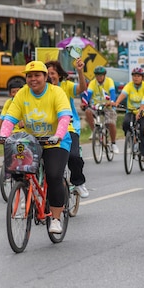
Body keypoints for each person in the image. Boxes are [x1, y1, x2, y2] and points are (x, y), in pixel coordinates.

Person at [0, 61, 72, 234]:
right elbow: (10, 118)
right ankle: (23, 196)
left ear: (46, 77)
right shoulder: (23, 93)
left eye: (37, 75)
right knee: (18, 169)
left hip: (56, 141)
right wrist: (3, 134)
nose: (33, 79)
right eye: (29, 76)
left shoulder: (56, 92)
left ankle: (55, 218)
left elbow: (64, 117)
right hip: (31, 140)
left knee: (54, 175)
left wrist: (58, 135)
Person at [46, 59, 89, 198]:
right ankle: (32, 193)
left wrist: (80, 71)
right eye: (46, 73)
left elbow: (82, 88)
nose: (50, 76)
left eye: (52, 73)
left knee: (73, 156)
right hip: (46, 129)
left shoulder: (66, 86)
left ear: (59, 75)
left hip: (69, 127)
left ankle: (78, 182)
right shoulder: (40, 89)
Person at [114, 67, 144, 157]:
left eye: (138, 76)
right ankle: (131, 139)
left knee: (143, 129)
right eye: (134, 76)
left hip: (143, 112)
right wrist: (117, 103)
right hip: (131, 111)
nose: (136, 78)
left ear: (142, 77)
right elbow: (123, 94)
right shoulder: (129, 85)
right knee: (126, 123)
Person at [85, 66, 119, 154]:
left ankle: (113, 143)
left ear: (104, 75)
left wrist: (111, 101)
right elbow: (88, 94)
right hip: (95, 105)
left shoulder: (109, 81)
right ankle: (94, 132)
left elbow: (112, 93)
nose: (99, 77)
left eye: (101, 75)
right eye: (97, 75)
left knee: (111, 123)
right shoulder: (92, 83)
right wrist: (84, 102)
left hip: (107, 106)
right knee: (88, 112)